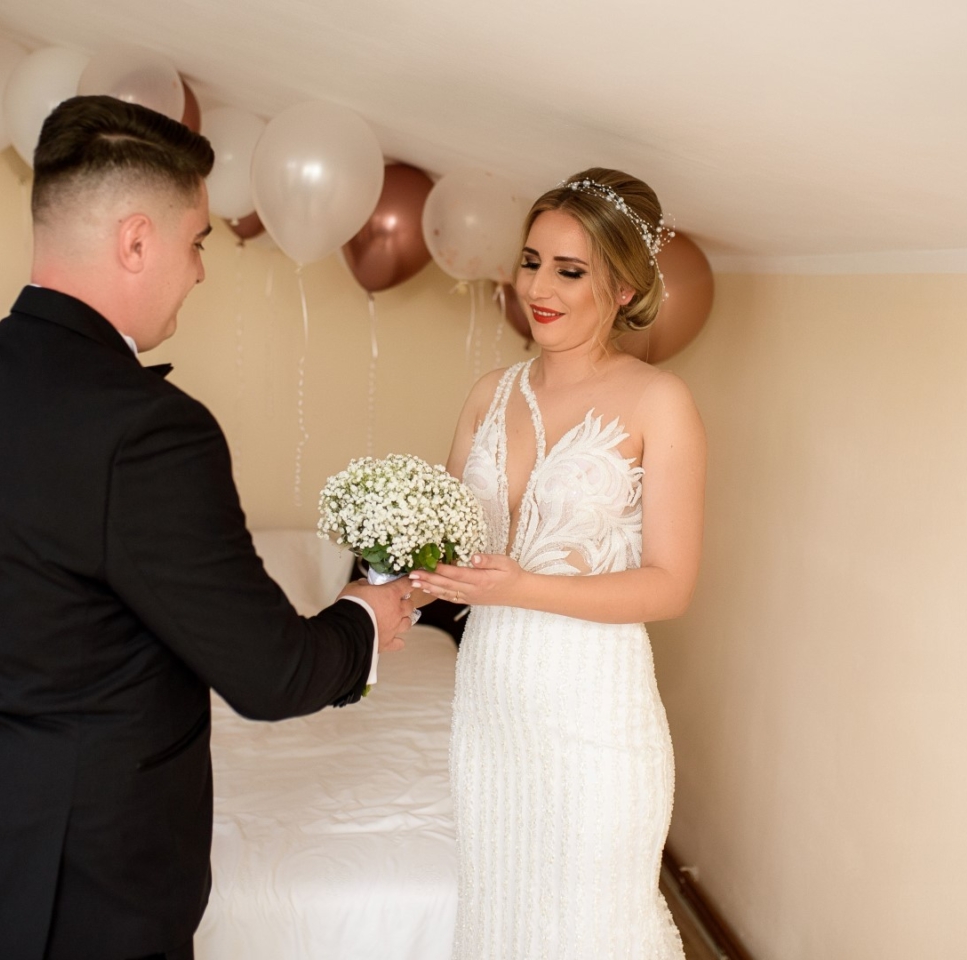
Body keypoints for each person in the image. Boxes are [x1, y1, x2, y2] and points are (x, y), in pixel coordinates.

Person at [0, 96, 415, 960]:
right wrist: (365, 614)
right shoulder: (150, 430)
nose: (201, 270)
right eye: (197, 240)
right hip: (90, 891)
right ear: (136, 241)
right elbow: (271, 674)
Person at [410, 167, 706, 958]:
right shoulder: (489, 393)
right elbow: (446, 541)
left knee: (589, 929)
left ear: (622, 289)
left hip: (594, 714)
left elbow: (670, 585)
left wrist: (522, 586)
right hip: (491, 707)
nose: (538, 287)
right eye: (532, 260)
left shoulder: (659, 401)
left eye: (570, 271)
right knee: (503, 919)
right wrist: (401, 579)